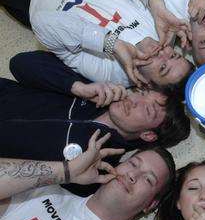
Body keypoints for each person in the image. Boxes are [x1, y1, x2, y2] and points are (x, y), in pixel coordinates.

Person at [0, 51, 190, 196]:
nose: (134, 100)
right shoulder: (90, 87)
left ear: (148, 134)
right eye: (141, 94)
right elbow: (19, 63)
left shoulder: (98, 168)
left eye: (147, 109)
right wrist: (77, 87)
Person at [0, 0, 195, 95]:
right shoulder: (160, 29)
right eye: (173, 55)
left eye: (162, 67)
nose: (163, 53)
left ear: (146, 85)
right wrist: (155, 2)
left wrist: (111, 43)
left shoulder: (108, 72)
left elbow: (42, 23)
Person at [0, 130, 176, 220]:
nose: (133, 175)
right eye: (133, 164)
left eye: (148, 180)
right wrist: (66, 171)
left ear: (150, 204)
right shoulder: (47, 192)